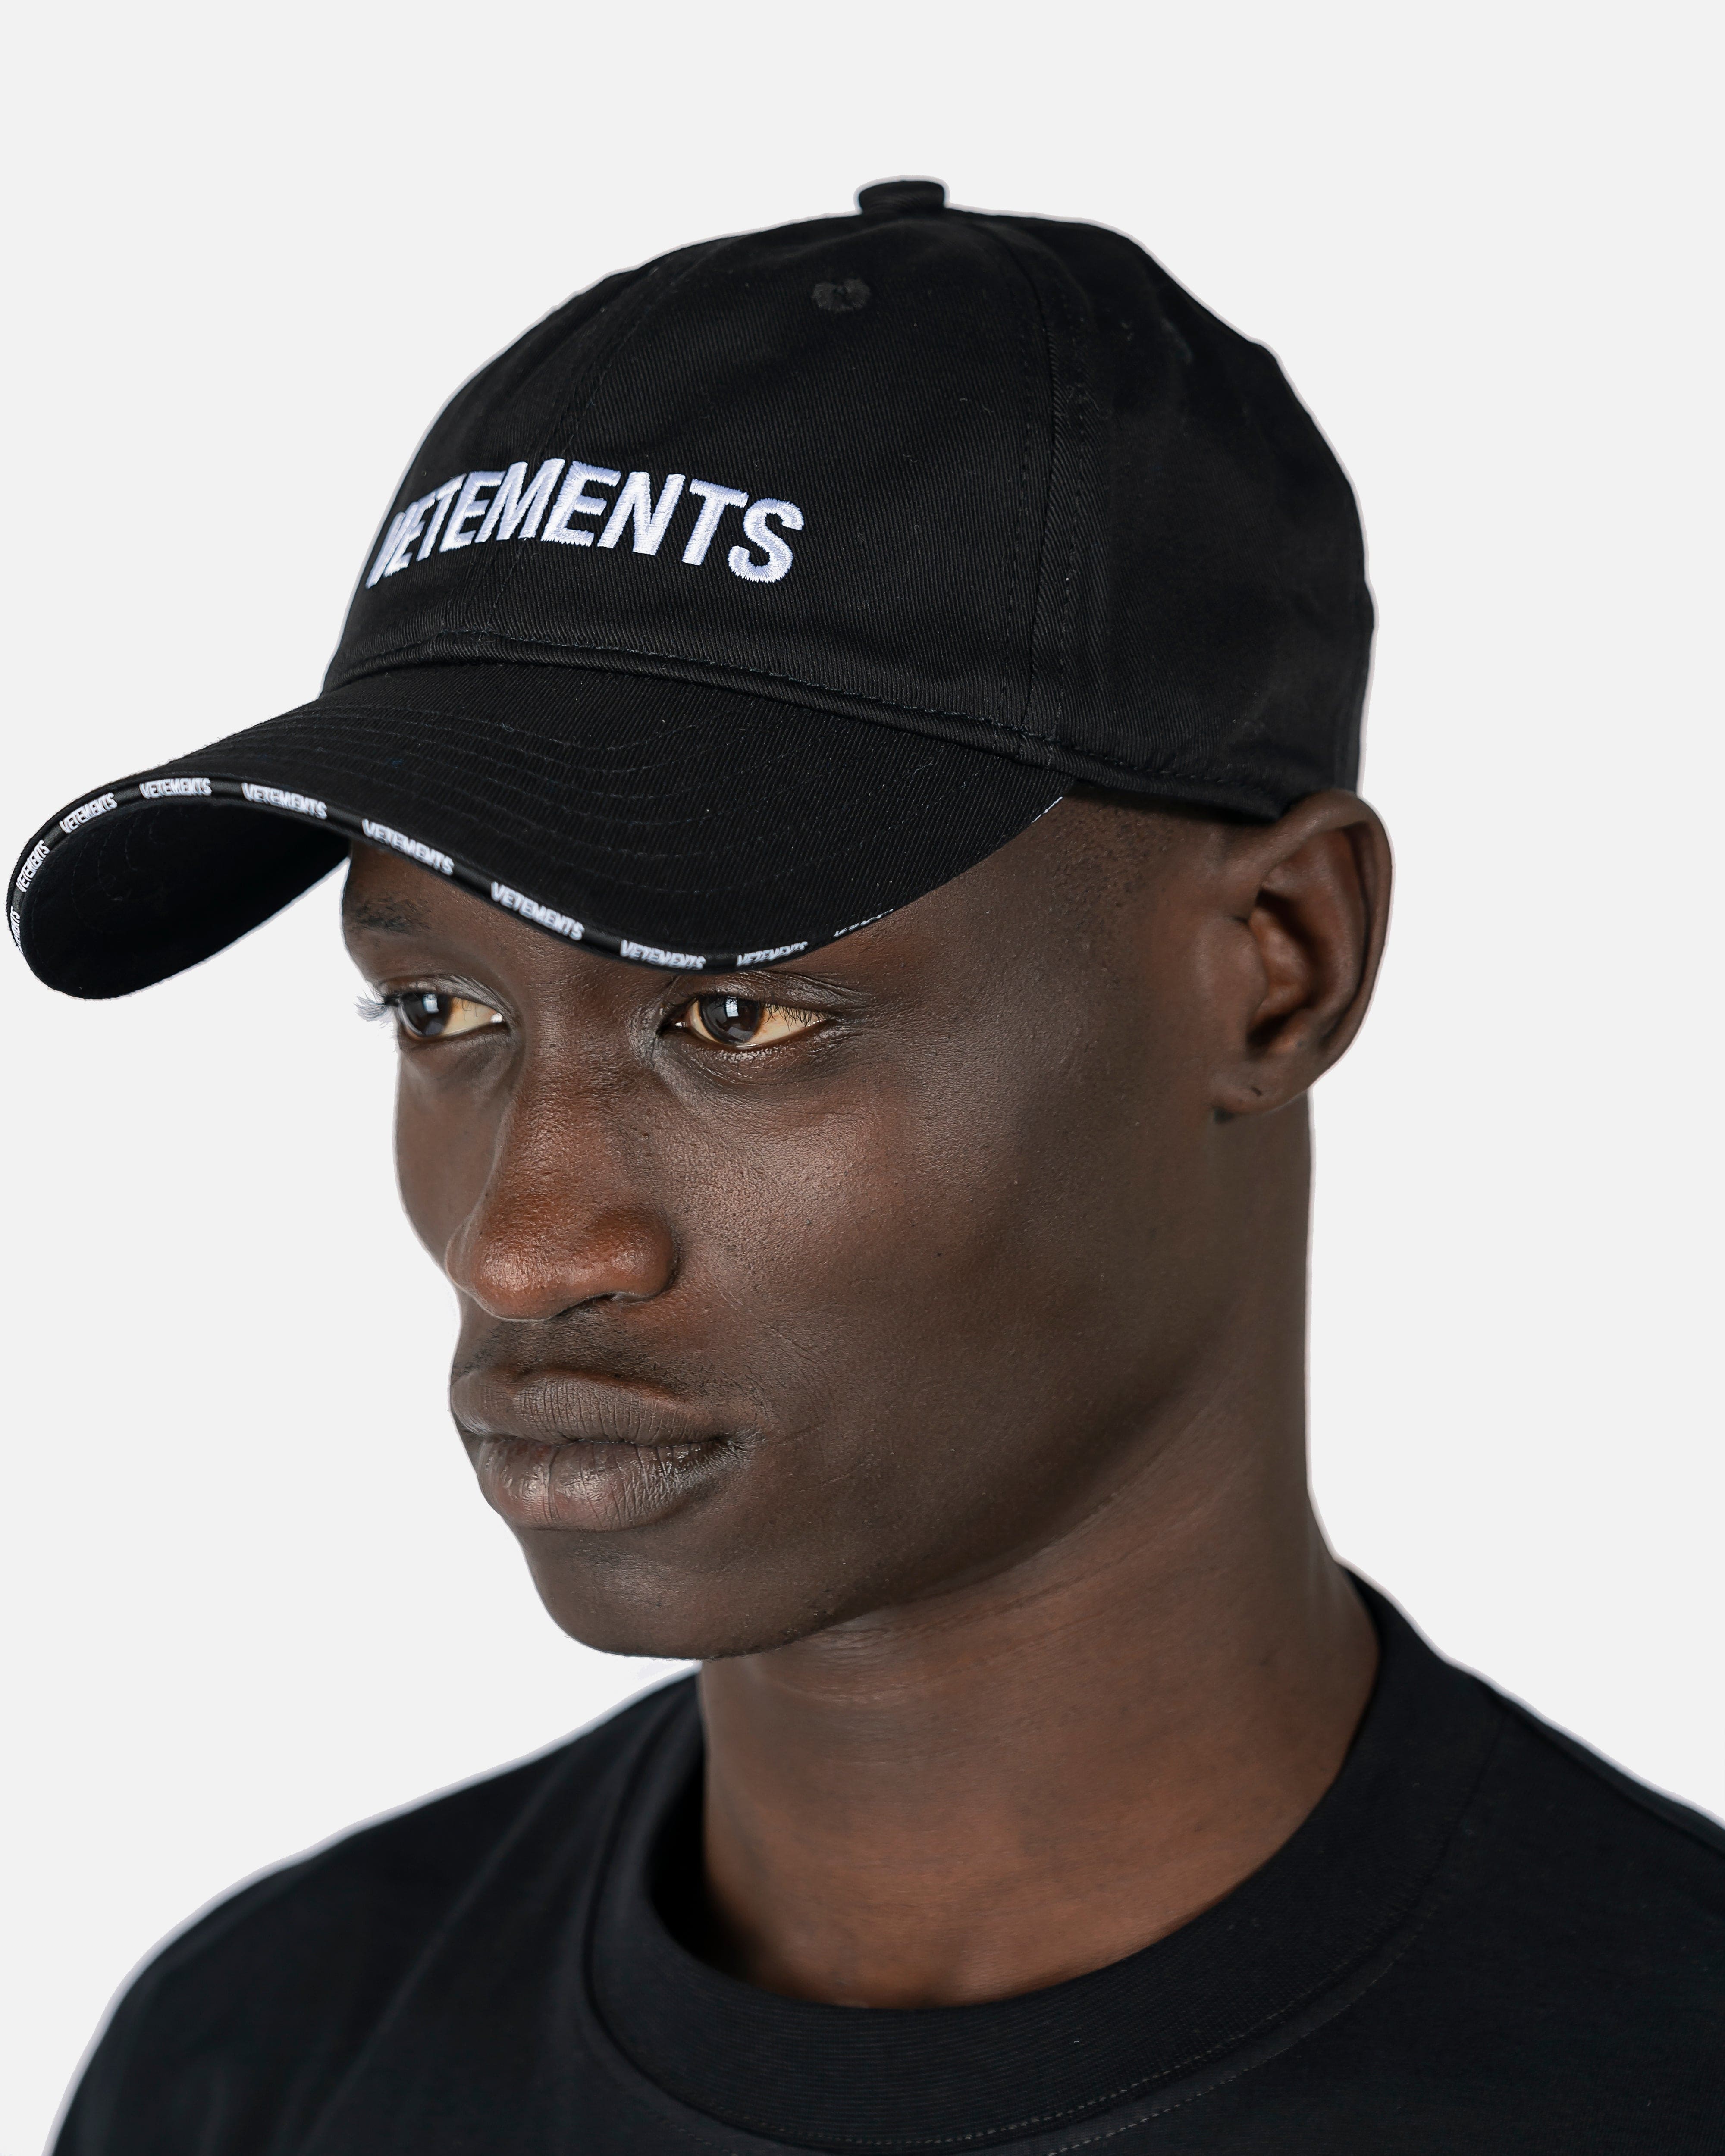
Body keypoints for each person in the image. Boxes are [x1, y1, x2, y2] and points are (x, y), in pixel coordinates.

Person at [14, 179, 1721, 2154]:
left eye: (737, 1015)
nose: (526, 1242)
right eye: (442, 1010)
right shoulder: (253, 2070)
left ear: (1278, 965)